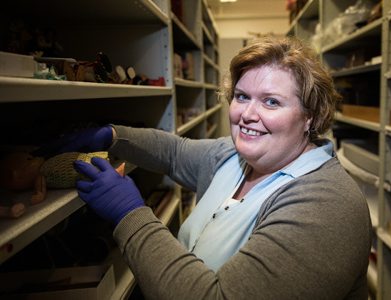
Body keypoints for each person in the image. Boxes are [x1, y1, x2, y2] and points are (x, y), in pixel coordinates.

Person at [36, 36, 372, 299]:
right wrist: (112, 136)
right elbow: (175, 151)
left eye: (271, 101)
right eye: (242, 96)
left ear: (310, 117)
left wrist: (130, 215)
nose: (248, 114)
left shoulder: (327, 204)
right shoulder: (235, 157)